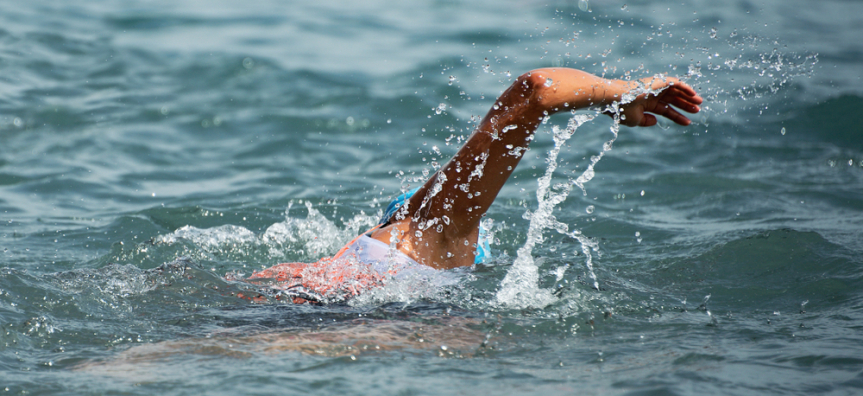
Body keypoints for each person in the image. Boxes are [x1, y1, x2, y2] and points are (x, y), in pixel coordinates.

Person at [247, 68, 703, 304]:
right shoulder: (440, 235)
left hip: (300, 317)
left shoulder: (381, 242)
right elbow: (536, 89)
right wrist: (624, 91)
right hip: (337, 330)